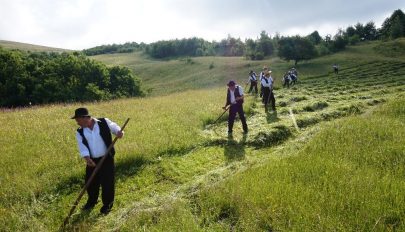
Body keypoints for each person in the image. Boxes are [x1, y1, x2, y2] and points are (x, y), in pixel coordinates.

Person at [71, 107, 124, 215]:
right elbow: (82, 146)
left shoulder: (103, 122)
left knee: (107, 183)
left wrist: (119, 132)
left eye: (78, 120)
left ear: (85, 118)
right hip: (92, 160)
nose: (77, 122)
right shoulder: (80, 132)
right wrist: (87, 158)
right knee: (90, 183)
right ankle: (91, 202)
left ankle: (107, 206)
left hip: (107, 158)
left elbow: (115, 127)